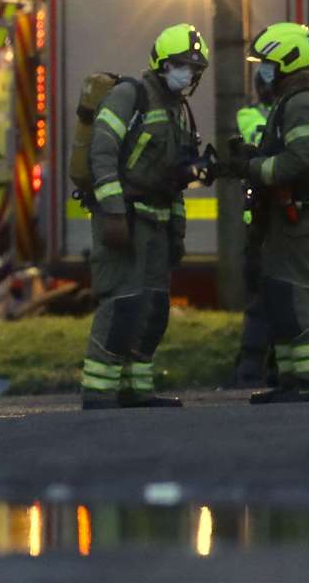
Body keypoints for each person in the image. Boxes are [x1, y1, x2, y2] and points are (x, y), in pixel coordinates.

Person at [80, 23, 209, 410]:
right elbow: (101, 153)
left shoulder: (179, 110)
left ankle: (138, 389)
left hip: (158, 220)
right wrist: (114, 213)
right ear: (162, 64)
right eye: (182, 65)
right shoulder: (129, 96)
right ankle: (99, 391)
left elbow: (176, 177)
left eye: (194, 68)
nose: (188, 74)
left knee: (154, 308)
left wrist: (179, 232)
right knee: (122, 303)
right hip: (127, 219)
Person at [224, 23, 309, 404]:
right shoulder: (289, 101)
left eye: (268, 63)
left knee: (301, 295)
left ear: (288, 60)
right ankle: (291, 378)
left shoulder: (304, 101)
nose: (263, 72)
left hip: (300, 221)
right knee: (282, 296)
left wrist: (253, 168)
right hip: (284, 221)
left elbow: (296, 162)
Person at [229, 97, 276, 388]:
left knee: (267, 298)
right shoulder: (250, 115)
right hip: (265, 222)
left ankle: (260, 368)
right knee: (264, 298)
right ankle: (252, 369)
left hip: (269, 220)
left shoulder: (292, 108)